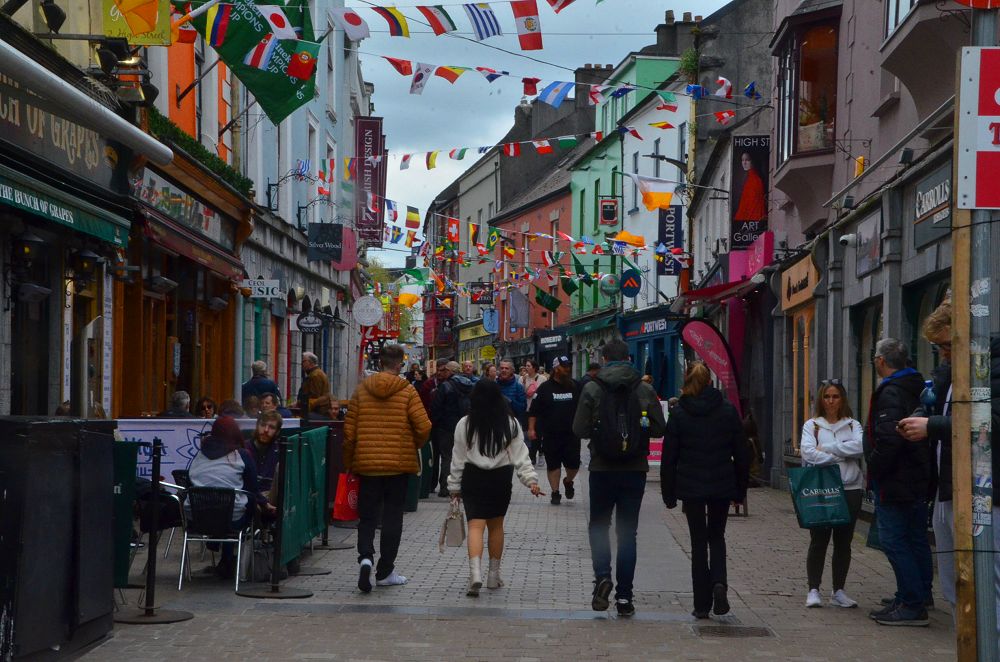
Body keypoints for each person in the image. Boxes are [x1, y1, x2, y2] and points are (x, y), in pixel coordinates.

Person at [572, 339, 666, 617]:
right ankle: (625, 597)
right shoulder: (644, 388)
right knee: (628, 534)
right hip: (634, 469)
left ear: (603, 358)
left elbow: (579, 429)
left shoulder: (592, 387)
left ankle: (602, 577)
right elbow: (660, 429)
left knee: (599, 526)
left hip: (602, 468)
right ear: (628, 358)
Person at [661, 362, 749, 620]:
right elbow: (741, 453)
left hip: (691, 487)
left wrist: (669, 493)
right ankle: (719, 583)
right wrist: (739, 489)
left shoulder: (679, 413)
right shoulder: (727, 410)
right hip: (721, 484)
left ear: (687, 382)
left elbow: (669, 458)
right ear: (711, 383)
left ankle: (702, 604)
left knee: (698, 542)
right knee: (717, 537)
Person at [344, 344, 432, 593]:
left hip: (368, 465)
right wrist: (411, 444)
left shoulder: (361, 391)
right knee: (393, 516)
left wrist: (351, 462)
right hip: (398, 466)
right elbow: (424, 426)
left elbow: (349, 434)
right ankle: (385, 571)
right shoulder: (407, 391)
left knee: (368, 517)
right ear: (399, 365)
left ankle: (365, 557)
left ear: (380, 362)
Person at [448, 379, 542, 596]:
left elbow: (458, 458)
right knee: (496, 527)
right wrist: (531, 481)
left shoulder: (465, 424)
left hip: (473, 478)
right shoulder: (510, 423)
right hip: (500, 479)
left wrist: (454, 486)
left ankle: (475, 574)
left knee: (475, 527)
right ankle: (493, 575)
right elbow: (521, 456)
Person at [865, 338, 932, 626]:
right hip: (917, 475)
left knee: (894, 540)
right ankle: (917, 592)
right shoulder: (917, 385)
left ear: (881, 361)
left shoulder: (891, 392)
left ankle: (911, 602)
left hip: (897, 479)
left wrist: (874, 468)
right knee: (916, 538)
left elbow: (890, 439)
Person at [898, 299, 954, 612]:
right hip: (943, 489)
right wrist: (923, 413)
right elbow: (935, 406)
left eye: (946, 345)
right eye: (938, 347)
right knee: (953, 583)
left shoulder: (988, 369)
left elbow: (987, 422)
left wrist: (930, 425)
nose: (943, 354)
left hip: (978, 493)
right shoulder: (946, 375)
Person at [800, 379, 864, 609]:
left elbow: (860, 447)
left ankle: (838, 590)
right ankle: (813, 589)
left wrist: (826, 450)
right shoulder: (812, 425)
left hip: (850, 489)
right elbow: (808, 453)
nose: (831, 401)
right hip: (823, 488)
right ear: (821, 399)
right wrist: (841, 455)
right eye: (827, 396)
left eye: (835, 396)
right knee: (819, 540)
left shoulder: (853, 424)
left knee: (843, 542)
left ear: (843, 399)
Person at [189, 416, 274, 579]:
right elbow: (253, 488)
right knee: (239, 505)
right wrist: (265, 505)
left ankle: (225, 560)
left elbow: (190, 481)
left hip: (198, 520)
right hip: (233, 520)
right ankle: (230, 560)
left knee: (224, 507)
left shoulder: (199, 455)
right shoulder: (241, 455)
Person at [528, 356, 581, 505]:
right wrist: (531, 429)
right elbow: (534, 411)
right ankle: (555, 492)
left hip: (572, 434)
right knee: (553, 465)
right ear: (556, 368)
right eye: (564, 366)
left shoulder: (575, 386)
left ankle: (568, 481)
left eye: (568, 366)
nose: (567, 369)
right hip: (551, 435)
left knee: (574, 465)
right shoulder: (545, 388)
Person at [431, 361, 475, 497]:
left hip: (446, 427)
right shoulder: (469, 385)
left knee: (447, 457)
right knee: (464, 456)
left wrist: (436, 423)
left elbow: (436, 408)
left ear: (450, 371)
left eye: (445, 370)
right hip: (464, 425)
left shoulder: (445, 386)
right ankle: (464, 486)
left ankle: (445, 487)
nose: (443, 373)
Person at [246, 410, 282, 495]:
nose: (266, 430)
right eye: (262, 425)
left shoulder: (280, 452)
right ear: (257, 426)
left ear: (277, 431)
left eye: (272, 427)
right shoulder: (244, 448)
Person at [520, 359, 547, 463]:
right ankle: (531, 454)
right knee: (527, 433)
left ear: (534, 367)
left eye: (528, 366)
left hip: (538, 411)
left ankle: (535, 453)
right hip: (526, 409)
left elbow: (545, 394)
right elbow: (521, 393)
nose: (526, 367)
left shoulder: (542, 379)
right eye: (526, 366)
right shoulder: (522, 379)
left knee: (537, 433)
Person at [733, 150, 766, 222]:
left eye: (747, 160)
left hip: (752, 218)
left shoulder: (755, 180)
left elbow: (754, 205)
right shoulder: (749, 178)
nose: (744, 163)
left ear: (753, 161)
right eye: (742, 160)